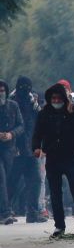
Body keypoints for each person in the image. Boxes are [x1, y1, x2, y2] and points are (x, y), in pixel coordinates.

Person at [32, 83, 74, 238]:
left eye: (59, 98)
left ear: (64, 99)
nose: (56, 101)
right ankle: (59, 226)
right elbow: (37, 132)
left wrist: (73, 114)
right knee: (56, 194)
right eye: (54, 98)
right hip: (52, 158)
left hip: (71, 158)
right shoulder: (44, 113)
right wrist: (36, 147)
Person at [9, 76, 46, 223]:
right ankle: (4, 211)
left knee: (35, 181)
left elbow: (39, 121)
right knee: (12, 182)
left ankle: (32, 213)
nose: (26, 90)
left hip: (31, 149)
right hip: (16, 149)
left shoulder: (32, 103)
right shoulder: (11, 102)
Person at [0, 80, 23, 225]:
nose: (1, 93)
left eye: (2, 90)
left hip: (9, 149)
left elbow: (21, 125)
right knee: (1, 178)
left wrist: (11, 134)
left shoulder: (13, 106)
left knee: (6, 180)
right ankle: (5, 213)